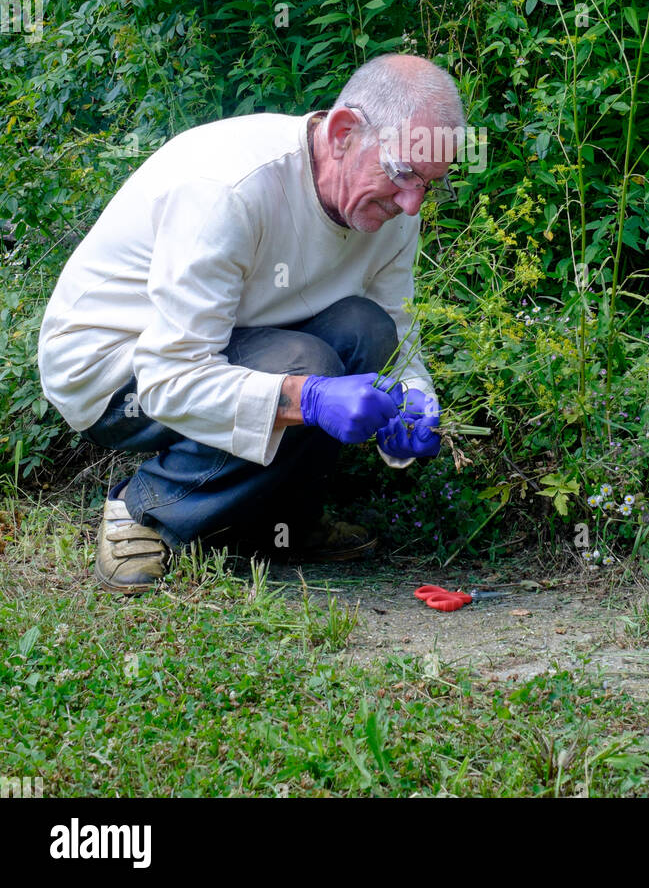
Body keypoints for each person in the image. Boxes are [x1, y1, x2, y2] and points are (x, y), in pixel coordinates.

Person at [37, 53, 464, 593]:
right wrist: (309, 398)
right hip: (114, 371)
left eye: (431, 185)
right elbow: (170, 380)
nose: (411, 204)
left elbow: (396, 333)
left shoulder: (393, 209)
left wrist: (413, 399)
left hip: (239, 342)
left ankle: (281, 524)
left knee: (365, 328)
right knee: (310, 367)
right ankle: (143, 509)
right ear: (342, 132)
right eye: (403, 174)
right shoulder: (230, 188)